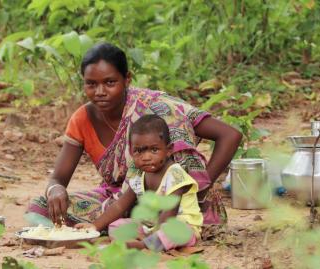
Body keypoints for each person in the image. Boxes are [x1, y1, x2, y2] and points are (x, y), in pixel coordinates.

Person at [28, 42, 242, 226]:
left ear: (127, 79)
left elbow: (230, 135)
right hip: (119, 199)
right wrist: (55, 190)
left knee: (165, 116)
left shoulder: (153, 106)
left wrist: (199, 188)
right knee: (40, 207)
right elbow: (58, 177)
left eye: (110, 82)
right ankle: (120, 226)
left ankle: (127, 227)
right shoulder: (82, 119)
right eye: (91, 84)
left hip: (167, 199)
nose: (100, 92)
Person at [75, 114, 201, 251]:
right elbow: (119, 206)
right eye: (139, 151)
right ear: (131, 152)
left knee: (170, 232)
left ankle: (143, 245)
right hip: (151, 227)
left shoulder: (175, 175)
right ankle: (140, 242)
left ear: (168, 150)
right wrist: (95, 226)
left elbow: (169, 214)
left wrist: (152, 235)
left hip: (181, 227)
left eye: (154, 150)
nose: (146, 157)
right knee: (116, 226)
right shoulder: (139, 178)